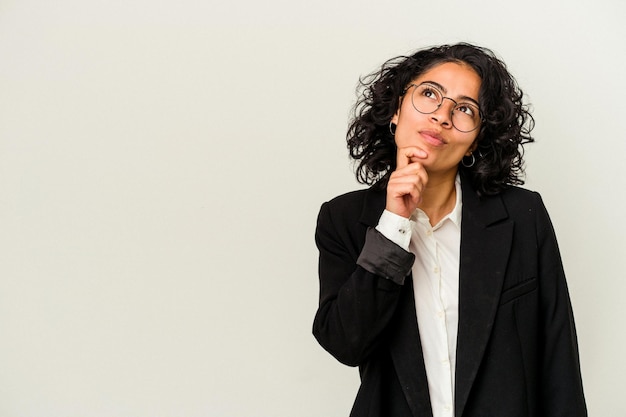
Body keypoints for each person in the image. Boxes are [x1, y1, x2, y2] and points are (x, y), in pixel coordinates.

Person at [312, 43, 587, 417]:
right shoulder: (343, 219)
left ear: (476, 138)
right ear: (395, 111)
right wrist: (394, 224)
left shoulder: (523, 215)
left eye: (464, 109)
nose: (442, 115)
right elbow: (346, 342)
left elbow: (558, 360)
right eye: (429, 93)